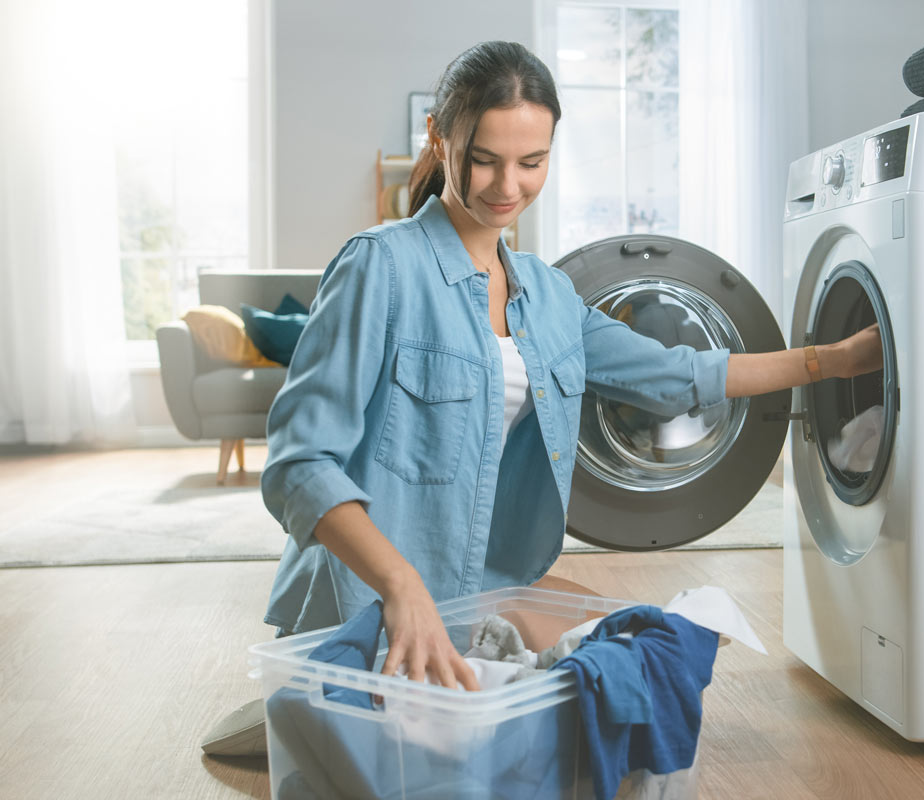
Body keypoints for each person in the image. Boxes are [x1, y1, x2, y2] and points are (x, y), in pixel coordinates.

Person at [263, 41, 882, 693]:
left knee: (660, 645)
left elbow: (682, 374)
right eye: (484, 160)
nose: (508, 187)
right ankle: (313, 704)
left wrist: (834, 360)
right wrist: (401, 584)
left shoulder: (549, 297)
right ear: (438, 138)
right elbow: (299, 464)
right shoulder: (381, 268)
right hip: (369, 608)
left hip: (479, 596)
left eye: (532, 162)